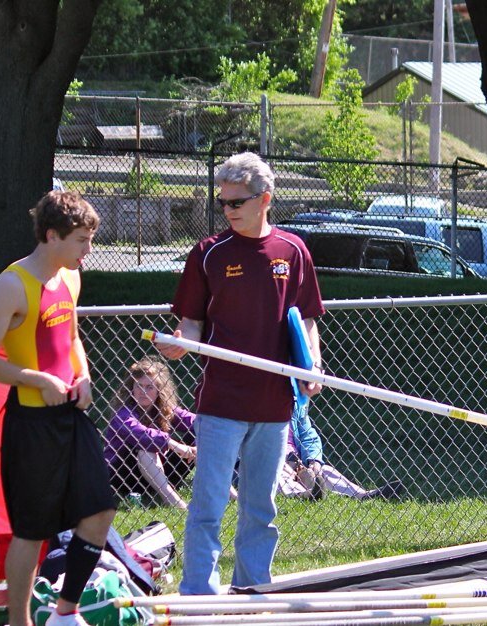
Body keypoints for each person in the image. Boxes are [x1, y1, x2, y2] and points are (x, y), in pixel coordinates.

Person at [156, 152, 325, 595]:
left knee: (260, 508)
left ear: (264, 199)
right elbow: (190, 323)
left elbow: (306, 319)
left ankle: (252, 592)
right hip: (221, 402)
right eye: (222, 203)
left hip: (274, 404)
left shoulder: (293, 251)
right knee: (208, 506)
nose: (227, 211)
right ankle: (199, 596)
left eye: (236, 203)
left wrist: (314, 365)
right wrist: (179, 341)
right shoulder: (208, 254)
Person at [0, 190, 116, 626]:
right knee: (32, 533)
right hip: (30, 423)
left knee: (101, 511)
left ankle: (65, 613)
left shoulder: (70, 276)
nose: (88, 250)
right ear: (51, 235)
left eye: (90, 240)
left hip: (70, 415)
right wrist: (36, 379)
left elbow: (70, 338)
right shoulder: (12, 284)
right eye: (81, 241)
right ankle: (20, 621)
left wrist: (83, 376)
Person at [103, 358, 198, 510]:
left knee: (202, 434)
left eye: (150, 387)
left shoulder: (164, 409)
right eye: (139, 386)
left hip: (160, 474)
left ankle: (229, 493)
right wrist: (175, 445)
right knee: (146, 444)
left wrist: (207, 435)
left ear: (159, 390)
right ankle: (176, 503)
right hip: (123, 477)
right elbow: (140, 433)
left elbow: (193, 421)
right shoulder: (122, 413)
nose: (143, 392)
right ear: (131, 388)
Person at [276, 403, 404, 501]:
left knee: (326, 471)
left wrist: (313, 460)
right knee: (279, 476)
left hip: (298, 460)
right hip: (275, 461)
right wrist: (282, 463)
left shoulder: (296, 403)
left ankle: (362, 495)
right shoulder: (261, 406)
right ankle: (304, 494)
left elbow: (308, 435)